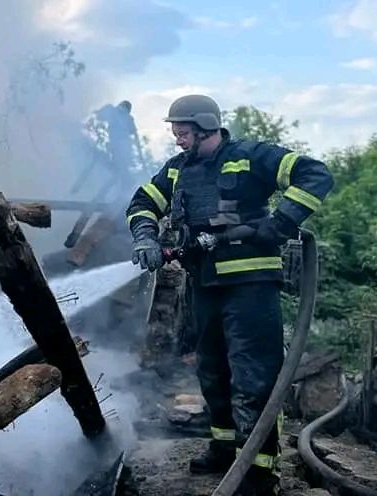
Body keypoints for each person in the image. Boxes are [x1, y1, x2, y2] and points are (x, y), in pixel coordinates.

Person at [124, 94, 334, 496]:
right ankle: (224, 448)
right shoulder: (178, 171)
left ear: (205, 126)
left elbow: (315, 175)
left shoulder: (251, 156)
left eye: (182, 133)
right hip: (204, 284)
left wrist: (280, 223)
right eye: (174, 133)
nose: (178, 141)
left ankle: (258, 469)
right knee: (212, 370)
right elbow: (142, 203)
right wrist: (146, 236)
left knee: (253, 376)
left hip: (251, 286)